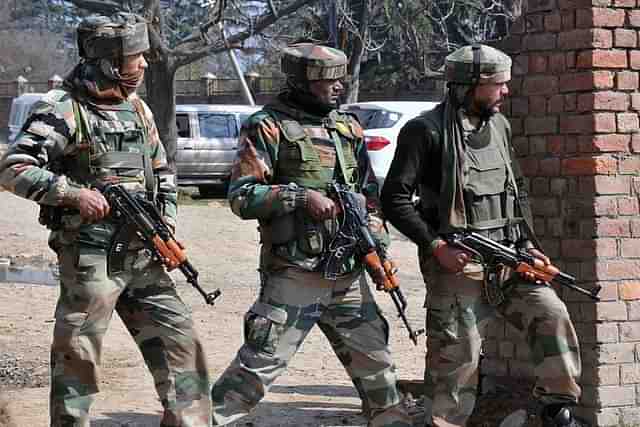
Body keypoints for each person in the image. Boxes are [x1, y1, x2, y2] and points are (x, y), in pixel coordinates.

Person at [0, 14, 211, 427]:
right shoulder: (62, 108)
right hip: (91, 259)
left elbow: (163, 171)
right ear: (112, 62)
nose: (145, 64)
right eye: (137, 56)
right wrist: (74, 194)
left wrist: (164, 225)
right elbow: (13, 168)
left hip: (145, 255)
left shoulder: (138, 109)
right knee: (77, 358)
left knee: (181, 346)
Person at [380, 44, 583, 427]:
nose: (506, 91)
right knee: (458, 359)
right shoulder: (425, 131)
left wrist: (527, 247)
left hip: (508, 260)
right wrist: (436, 245)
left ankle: (557, 411)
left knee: (552, 314)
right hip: (458, 267)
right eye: (498, 84)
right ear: (470, 85)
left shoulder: (500, 127)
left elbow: (516, 190)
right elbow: (393, 199)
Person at [211, 43, 412, 427]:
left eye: (341, 79)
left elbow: (367, 195)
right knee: (256, 370)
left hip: (349, 274)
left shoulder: (347, 126)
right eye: (327, 80)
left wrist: (378, 245)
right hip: (296, 273)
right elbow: (242, 197)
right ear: (302, 82)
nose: (338, 87)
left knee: (379, 371)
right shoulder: (266, 125)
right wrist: (299, 197)